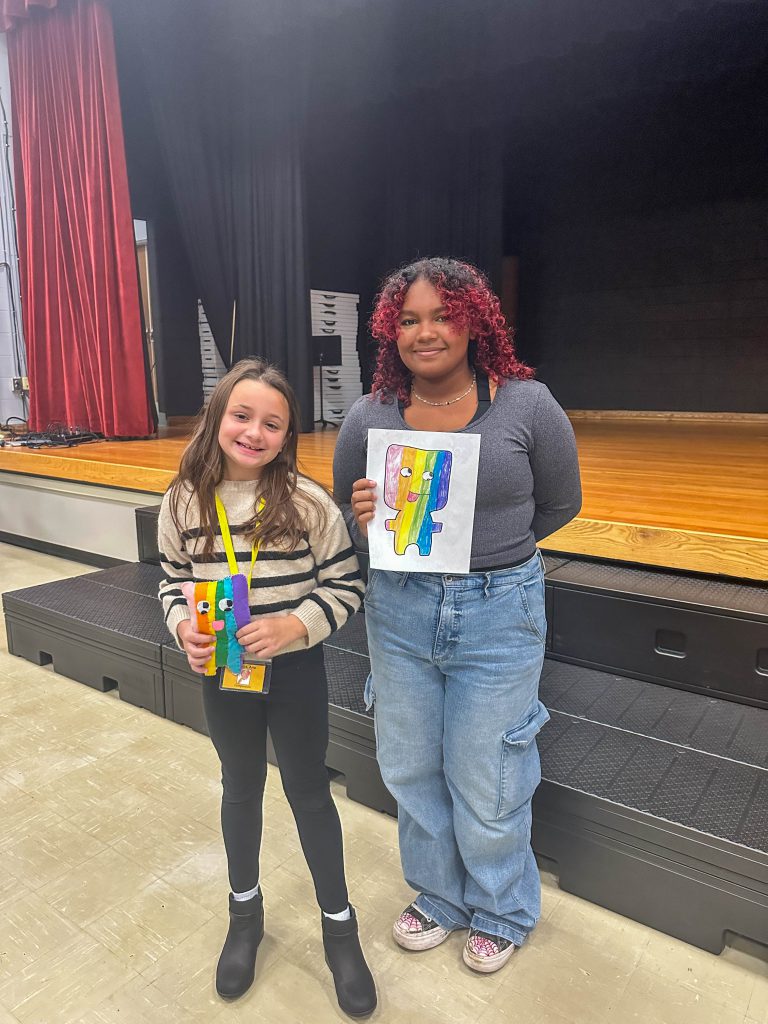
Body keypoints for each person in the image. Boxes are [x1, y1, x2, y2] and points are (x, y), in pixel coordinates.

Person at [333, 257, 582, 974]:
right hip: (400, 609)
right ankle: (440, 896)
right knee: (410, 765)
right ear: (390, 331)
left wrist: (494, 553)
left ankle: (502, 906)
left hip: (499, 609)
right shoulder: (369, 415)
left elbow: (560, 504)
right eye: (409, 319)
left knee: (490, 770)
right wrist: (361, 519)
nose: (426, 331)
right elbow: (353, 523)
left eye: (442, 315)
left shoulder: (528, 405)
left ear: (476, 321)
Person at [158, 358, 376, 1017]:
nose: (255, 431)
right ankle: (244, 917)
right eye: (242, 416)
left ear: (287, 436)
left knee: (310, 794)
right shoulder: (182, 501)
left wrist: (295, 625)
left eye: (272, 423)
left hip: (297, 675)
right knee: (240, 788)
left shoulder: (308, 504)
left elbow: (346, 586)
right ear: (218, 418)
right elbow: (170, 580)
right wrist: (182, 628)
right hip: (223, 670)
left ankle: (340, 928)